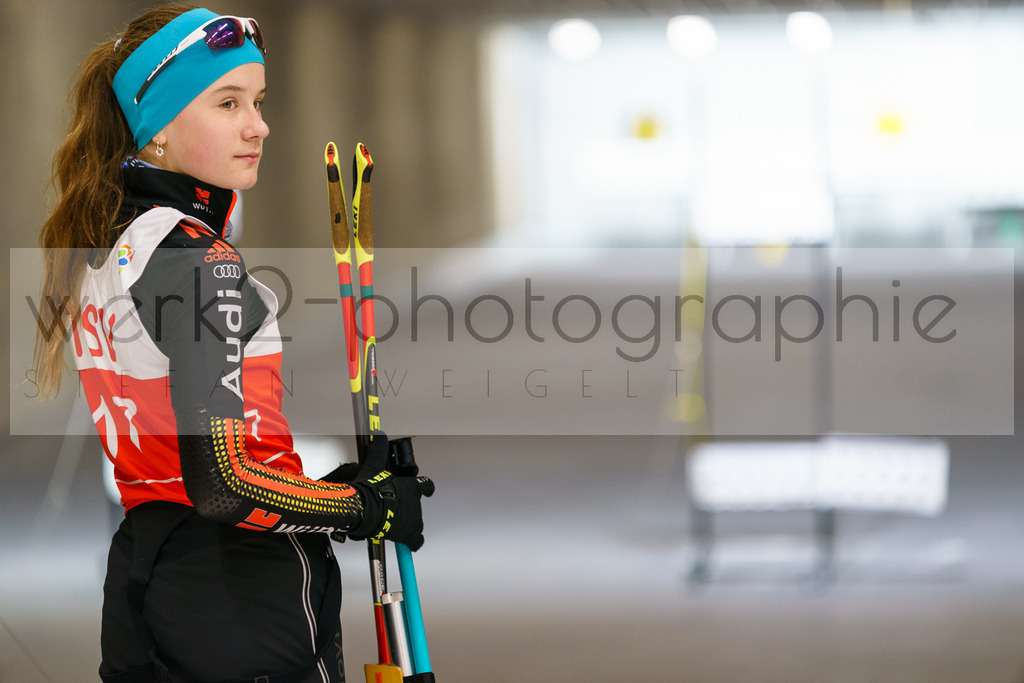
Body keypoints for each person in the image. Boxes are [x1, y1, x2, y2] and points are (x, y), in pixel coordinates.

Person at [33, 5, 431, 682]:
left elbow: (186, 455)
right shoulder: (199, 262)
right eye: (227, 103)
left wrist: (320, 489)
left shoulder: (108, 246)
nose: (259, 126)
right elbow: (224, 483)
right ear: (156, 126)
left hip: (147, 575)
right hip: (244, 597)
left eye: (258, 101)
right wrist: (361, 508)